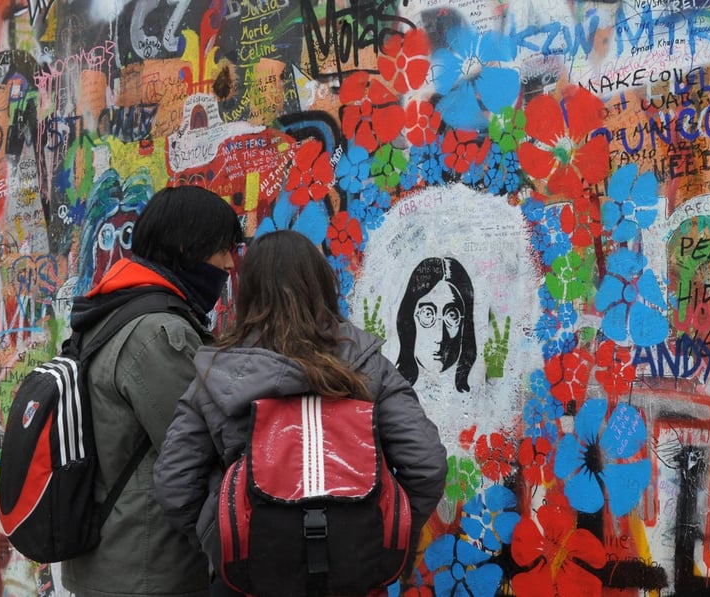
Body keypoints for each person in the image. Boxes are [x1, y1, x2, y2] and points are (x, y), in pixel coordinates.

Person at [153, 230, 448, 595]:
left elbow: (174, 486)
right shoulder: (370, 366)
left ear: (248, 292)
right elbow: (427, 465)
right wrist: (382, 531)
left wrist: (228, 540)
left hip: (250, 579)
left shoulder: (217, 374)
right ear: (323, 284)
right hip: (356, 571)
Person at [61, 185, 243, 597]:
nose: (229, 263)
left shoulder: (113, 311)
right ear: (186, 247)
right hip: (145, 570)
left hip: (115, 561)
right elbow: (199, 446)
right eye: (222, 249)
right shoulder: (158, 332)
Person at [395, 257, 476, 392]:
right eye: (427, 314)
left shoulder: (474, 397)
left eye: (451, 316)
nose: (439, 337)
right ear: (409, 319)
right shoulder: (392, 391)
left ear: (464, 325)